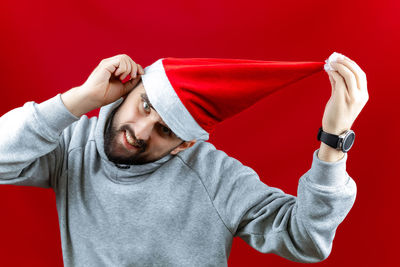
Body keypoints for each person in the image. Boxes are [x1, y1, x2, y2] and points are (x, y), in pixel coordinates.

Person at [0, 53, 368, 266]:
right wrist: (81, 98)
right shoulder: (72, 146)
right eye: (145, 105)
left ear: (184, 145)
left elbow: (306, 239)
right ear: (130, 88)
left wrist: (333, 143)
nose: (140, 132)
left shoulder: (215, 177)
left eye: (165, 130)